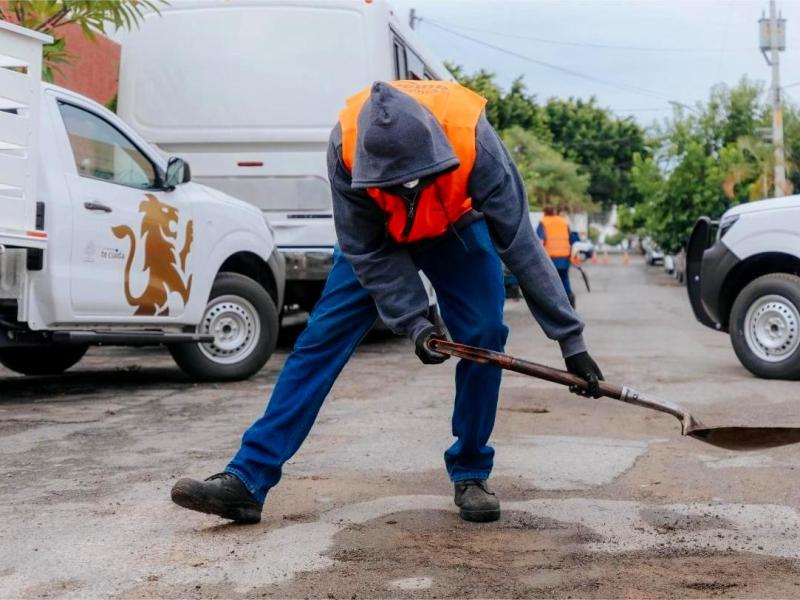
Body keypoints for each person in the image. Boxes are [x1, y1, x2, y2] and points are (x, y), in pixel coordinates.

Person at [171, 80, 604, 524]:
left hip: (456, 228)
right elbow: (365, 250)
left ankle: (471, 470)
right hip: (376, 238)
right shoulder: (345, 146)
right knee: (319, 341)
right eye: (393, 184)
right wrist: (415, 320)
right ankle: (247, 478)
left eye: (414, 182)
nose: (405, 192)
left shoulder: (476, 142)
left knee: (485, 337)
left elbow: (520, 245)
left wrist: (571, 341)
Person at [537, 206, 581, 307]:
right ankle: (569, 302)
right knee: (564, 278)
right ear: (554, 212)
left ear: (544, 212)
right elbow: (571, 239)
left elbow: (539, 241)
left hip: (550, 258)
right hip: (564, 257)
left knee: (550, 282)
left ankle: (554, 306)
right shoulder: (563, 222)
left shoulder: (543, 222)